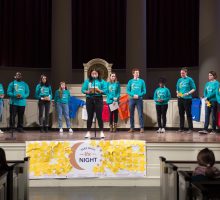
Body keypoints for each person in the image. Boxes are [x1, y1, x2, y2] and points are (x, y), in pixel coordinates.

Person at [81, 69, 106, 139]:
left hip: (98, 99)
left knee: (99, 116)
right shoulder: (87, 81)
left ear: (98, 74)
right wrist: (87, 92)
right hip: (89, 99)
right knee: (90, 116)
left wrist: (100, 91)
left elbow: (106, 90)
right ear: (90, 74)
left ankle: (101, 132)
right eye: (93, 73)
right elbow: (83, 90)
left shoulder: (102, 81)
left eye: (95, 73)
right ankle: (88, 132)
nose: (94, 74)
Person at [176, 67, 196, 134]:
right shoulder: (179, 80)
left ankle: (190, 128)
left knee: (188, 114)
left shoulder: (189, 79)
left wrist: (188, 93)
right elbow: (177, 89)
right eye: (181, 73)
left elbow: (194, 88)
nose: (182, 74)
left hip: (187, 99)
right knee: (181, 113)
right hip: (180, 98)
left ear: (186, 73)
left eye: (183, 73)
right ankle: (181, 128)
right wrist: (177, 93)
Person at [126, 68, 146, 133]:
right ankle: (132, 128)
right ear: (133, 73)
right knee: (131, 114)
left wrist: (139, 95)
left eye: (138, 72)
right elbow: (127, 90)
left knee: (140, 114)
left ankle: (142, 128)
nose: (137, 74)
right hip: (132, 99)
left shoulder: (142, 81)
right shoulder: (130, 81)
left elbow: (144, 91)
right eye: (136, 73)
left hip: (139, 99)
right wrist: (133, 95)